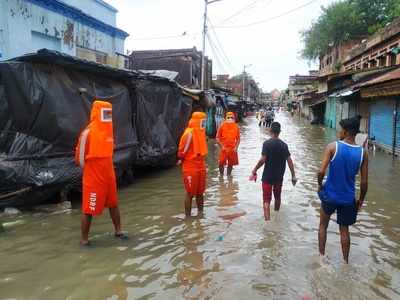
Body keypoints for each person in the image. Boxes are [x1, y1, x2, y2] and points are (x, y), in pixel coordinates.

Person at [75, 100, 127, 246]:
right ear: (98, 112)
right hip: (94, 176)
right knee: (89, 209)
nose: (108, 116)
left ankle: (119, 231)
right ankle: (84, 240)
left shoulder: (109, 130)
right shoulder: (87, 132)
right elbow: (79, 158)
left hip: (109, 174)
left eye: (109, 113)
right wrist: (92, 169)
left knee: (113, 204)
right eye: (105, 113)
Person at [317, 116, 368, 264]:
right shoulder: (363, 153)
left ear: (345, 131)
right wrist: (360, 201)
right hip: (348, 199)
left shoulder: (333, 147)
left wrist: (320, 185)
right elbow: (364, 183)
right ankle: (345, 262)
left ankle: (322, 257)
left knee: (323, 225)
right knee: (344, 230)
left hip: (330, 196)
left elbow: (321, 172)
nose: (339, 132)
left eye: (341, 130)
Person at [251, 122, 297, 221]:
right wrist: (293, 176)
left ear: (270, 131)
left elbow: (263, 160)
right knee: (277, 198)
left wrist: (254, 169)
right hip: (278, 177)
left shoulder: (266, 144)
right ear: (279, 132)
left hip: (267, 177)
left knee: (266, 200)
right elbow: (290, 161)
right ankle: (276, 215)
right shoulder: (284, 145)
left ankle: (267, 222)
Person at [177, 112, 208, 217]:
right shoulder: (189, 134)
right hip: (190, 167)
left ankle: (200, 215)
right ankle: (188, 218)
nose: (204, 123)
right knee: (190, 193)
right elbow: (181, 152)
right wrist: (180, 159)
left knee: (200, 193)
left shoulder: (201, 133)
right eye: (203, 121)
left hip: (201, 166)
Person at [216, 112, 241, 176]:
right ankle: (221, 177)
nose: (230, 119)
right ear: (225, 118)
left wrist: (236, 147)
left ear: (234, 118)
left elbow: (238, 139)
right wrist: (221, 146)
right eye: (228, 117)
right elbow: (217, 138)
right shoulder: (221, 126)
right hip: (223, 148)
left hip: (233, 148)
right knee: (221, 163)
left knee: (231, 164)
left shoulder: (236, 127)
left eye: (231, 117)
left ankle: (229, 177)